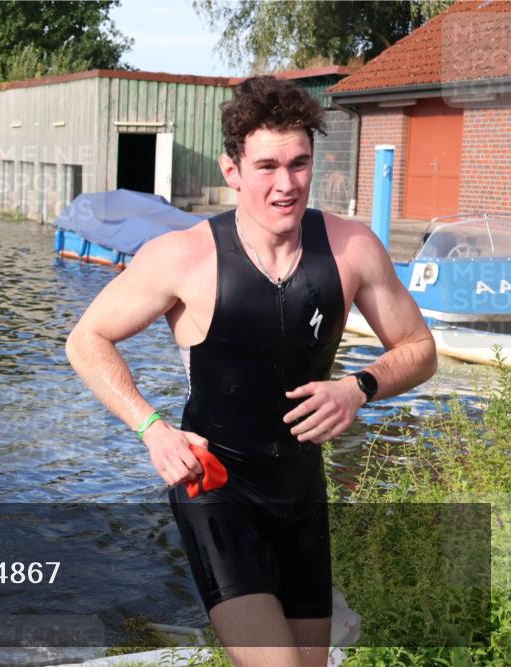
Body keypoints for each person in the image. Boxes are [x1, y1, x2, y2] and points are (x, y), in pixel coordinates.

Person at [65, 75, 437, 667]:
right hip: (215, 487)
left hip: (299, 491)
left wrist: (358, 388)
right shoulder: (183, 258)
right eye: (266, 166)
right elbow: (86, 339)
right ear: (231, 170)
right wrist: (151, 427)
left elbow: (419, 347)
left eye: (299, 164)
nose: (285, 185)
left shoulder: (352, 249)